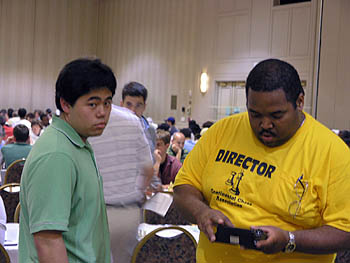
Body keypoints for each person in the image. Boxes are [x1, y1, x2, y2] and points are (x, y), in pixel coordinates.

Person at [173, 58, 350, 263]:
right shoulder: (222, 132)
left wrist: (290, 240)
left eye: (277, 115)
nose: (265, 124)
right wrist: (200, 212)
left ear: (300, 102)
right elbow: (183, 188)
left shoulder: (332, 153)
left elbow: (345, 231)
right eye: (255, 114)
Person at [19, 58, 116, 263]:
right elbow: (48, 241)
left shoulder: (76, 144)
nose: (102, 112)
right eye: (93, 103)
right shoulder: (56, 154)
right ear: (65, 104)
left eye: (107, 103)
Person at [90, 104, 154, 263]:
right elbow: (148, 168)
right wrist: (137, 191)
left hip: (93, 211)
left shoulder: (85, 118)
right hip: (127, 213)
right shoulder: (132, 120)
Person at [121, 82, 156, 161]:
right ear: (121, 104)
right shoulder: (111, 128)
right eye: (129, 104)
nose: (133, 110)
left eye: (138, 105)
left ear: (144, 107)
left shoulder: (150, 130)